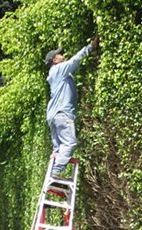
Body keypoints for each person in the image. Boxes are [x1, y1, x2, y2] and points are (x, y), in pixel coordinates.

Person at [45, 36, 100, 179]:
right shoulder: (59, 69)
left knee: (58, 148)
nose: (62, 54)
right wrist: (90, 47)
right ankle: (56, 171)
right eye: (59, 54)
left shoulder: (54, 74)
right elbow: (74, 61)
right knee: (70, 142)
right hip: (62, 113)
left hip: (53, 115)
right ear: (55, 60)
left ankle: (53, 172)